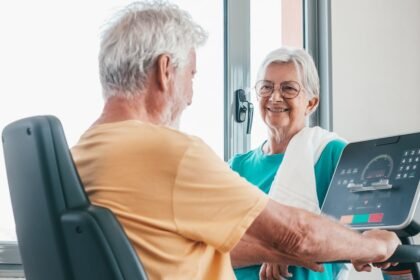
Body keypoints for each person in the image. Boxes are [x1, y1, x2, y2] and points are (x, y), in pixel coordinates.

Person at [70, 1, 399, 280]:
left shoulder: (78, 158)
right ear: (165, 70)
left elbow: (195, 244)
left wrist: (279, 251)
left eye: (288, 88)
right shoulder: (171, 152)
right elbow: (298, 234)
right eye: (192, 76)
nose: (190, 97)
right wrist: (378, 246)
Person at [229, 47, 348, 280]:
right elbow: (214, 248)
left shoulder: (330, 153)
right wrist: (272, 250)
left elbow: (357, 232)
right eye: (266, 87)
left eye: (289, 88)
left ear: (311, 103)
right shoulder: (237, 167)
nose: (274, 97)